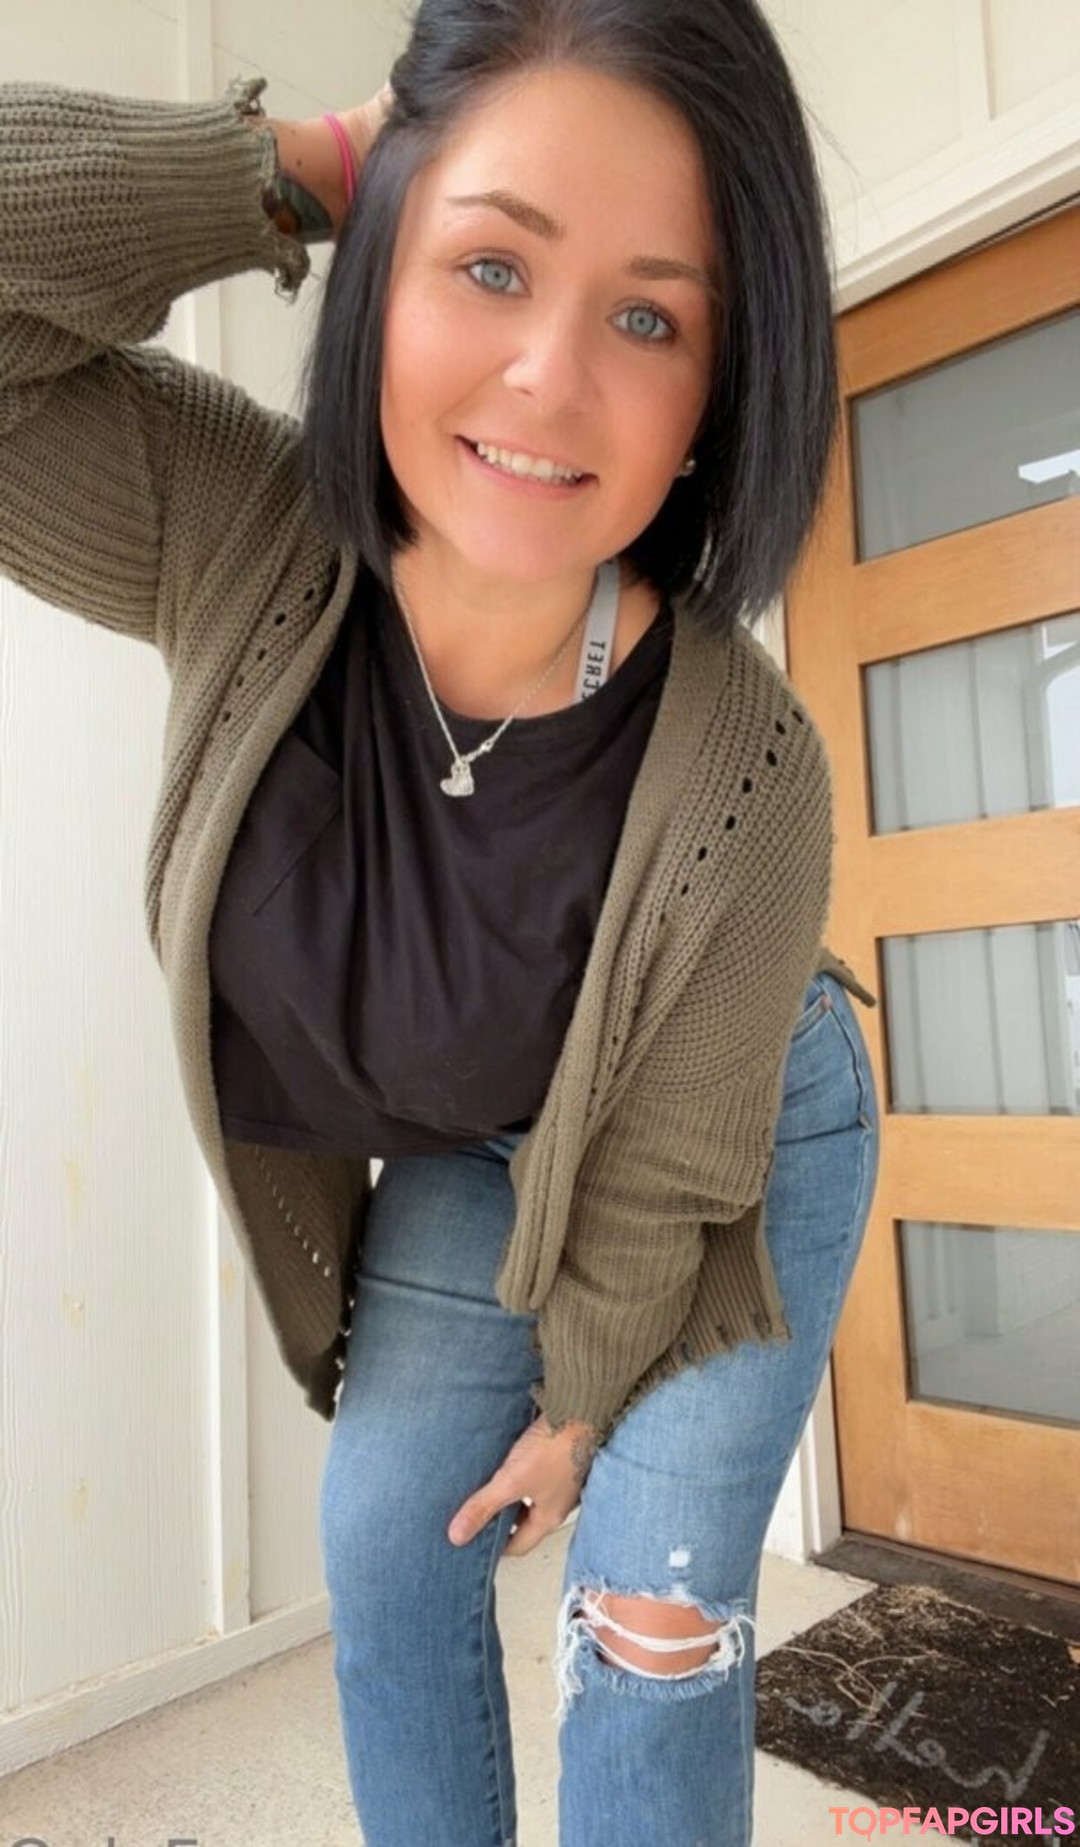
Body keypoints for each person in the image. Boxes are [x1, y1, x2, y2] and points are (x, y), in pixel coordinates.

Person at [0, 0, 881, 1841]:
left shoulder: (752, 768)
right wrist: (311, 166)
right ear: (386, 260)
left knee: (645, 1617)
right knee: (394, 1545)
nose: (549, 378)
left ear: (718, 394)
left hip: (725, 1133)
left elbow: (658, 1173)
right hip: (485, 1130)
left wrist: (580, 1410)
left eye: (649, 317)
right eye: (490, 263)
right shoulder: (236, 533)